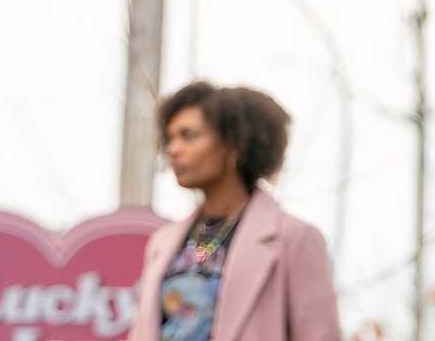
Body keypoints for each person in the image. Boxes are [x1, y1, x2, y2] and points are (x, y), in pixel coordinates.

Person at [129, 81, 342, 341]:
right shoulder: (162, 243)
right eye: (170, 138)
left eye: (188, 135)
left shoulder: (294, 239)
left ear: (234, 143)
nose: (173, 149)